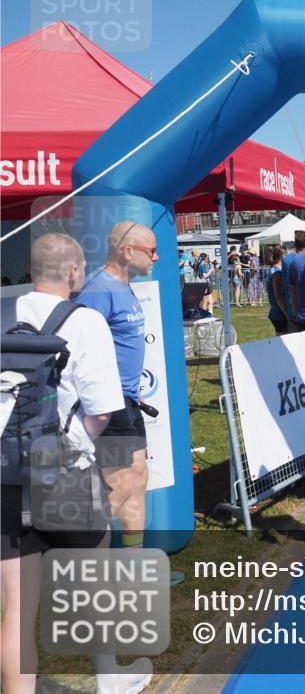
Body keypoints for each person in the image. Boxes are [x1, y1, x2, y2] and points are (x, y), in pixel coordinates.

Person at [3, 234, 127, 694]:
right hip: (66, 473)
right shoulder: (87, 321)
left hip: (7, 473)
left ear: (33, 269)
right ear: (74, 271)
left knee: (16, 608)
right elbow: (101, 409)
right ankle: (110, 679)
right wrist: (73, 448)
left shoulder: (3, 313)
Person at [75, 221, 157, 553]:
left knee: (138, 477)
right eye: (151, 251)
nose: (157, 257)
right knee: (118, 485)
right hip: (108, 401)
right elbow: (79, 346)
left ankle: (133, 562)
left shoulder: (122, 285)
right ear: (126, 251)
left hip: (126, 399)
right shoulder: (97, 290)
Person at [265, 247, 288, 335]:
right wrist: (287, 314)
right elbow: (278, 297)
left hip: (278, 312)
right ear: (282, 256)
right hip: (280, 313)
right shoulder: (277, 272)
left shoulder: (275, 270)